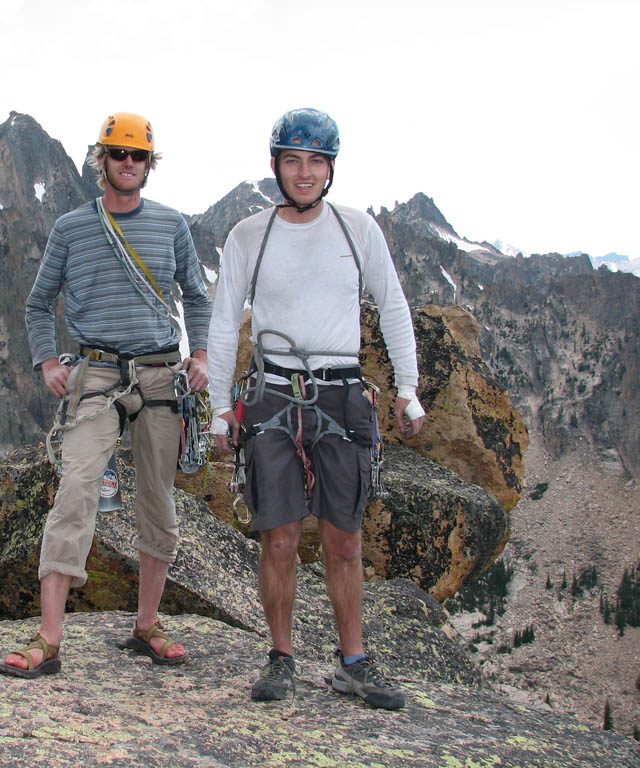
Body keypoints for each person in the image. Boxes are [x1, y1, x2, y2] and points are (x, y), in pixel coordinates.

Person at [206, 108, 425, 708]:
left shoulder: (358, 230)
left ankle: (353, 662)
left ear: (330, 169)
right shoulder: (250, 235)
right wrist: (220, 405)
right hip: (275, 393)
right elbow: (224, 322)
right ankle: (281, 658)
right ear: (276, 165)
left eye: (316, 162)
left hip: (342, 391)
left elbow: (394, 306)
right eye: (293, 161)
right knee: (277, 537)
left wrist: (408, 387)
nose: (304, 173)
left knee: (344, 538)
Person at [0, 112, 211, 679]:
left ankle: (146, 625)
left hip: (162, 375)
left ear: (149, 164)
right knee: (76, 488)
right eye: (117, 154)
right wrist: (47, 360)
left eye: (137, 156)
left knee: (157, 499)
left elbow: (197, 294)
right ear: (102, 159)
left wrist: (204, 355)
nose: (127, 164)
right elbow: (38, 302)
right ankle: (49, 638)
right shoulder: (72, 228)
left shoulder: (172, 226)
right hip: (95, 375)